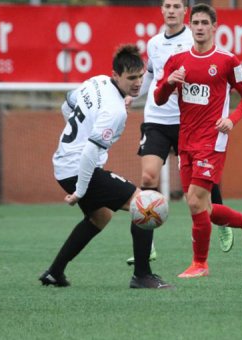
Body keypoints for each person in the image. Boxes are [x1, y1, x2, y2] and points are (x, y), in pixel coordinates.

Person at [39, 44, 172, 289]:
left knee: (100, 216)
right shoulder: (114, 111)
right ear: (116, 76)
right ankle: (142, 275)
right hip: (78, 169)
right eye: (131, 78)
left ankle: (55, 272)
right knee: (143, 204)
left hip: (63, 163)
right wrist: (80, 191)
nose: (137, 82)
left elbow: (66, 107)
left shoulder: (95, 82)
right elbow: (90, 151)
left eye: (141, 76)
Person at [154, 3, 242, 278]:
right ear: (189, 26)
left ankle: (200, 264)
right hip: (185, 140)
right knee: (202, 206)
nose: (201, 27)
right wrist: (169, 82)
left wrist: (232, 119)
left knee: (193, 202)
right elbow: (157, 98)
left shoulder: (228, 61)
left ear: (215, 27)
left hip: (213, 140)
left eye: (206, 23)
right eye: (197, 23)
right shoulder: (177, 61)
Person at [126, 0, 234, 266]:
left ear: (185, 11)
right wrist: (134, 95)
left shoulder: (195, 38)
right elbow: (151, 75)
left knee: (203, 185)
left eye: (176, 5)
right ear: (161, 10)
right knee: (148, 176)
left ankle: (220, 220)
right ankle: (147, 244)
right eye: (167, 5)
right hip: (157, 119)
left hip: (191, 121)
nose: (171, 10)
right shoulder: (153, 44)